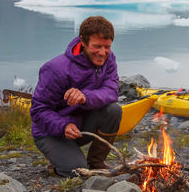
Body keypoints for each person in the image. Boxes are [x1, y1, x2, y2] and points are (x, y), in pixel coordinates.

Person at [30, 16, 122, 177]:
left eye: (107, 47)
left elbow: (111, 90)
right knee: (77, 171)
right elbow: (38, 110)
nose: (102, 52)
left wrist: (85, 97)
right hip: (51, 133)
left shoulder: (109, 59)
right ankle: (59, 163)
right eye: (96, 46)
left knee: (113, 110)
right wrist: (62, 126)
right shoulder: (55, 69)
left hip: (80, 128)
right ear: (83, 42)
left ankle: (96, 162)